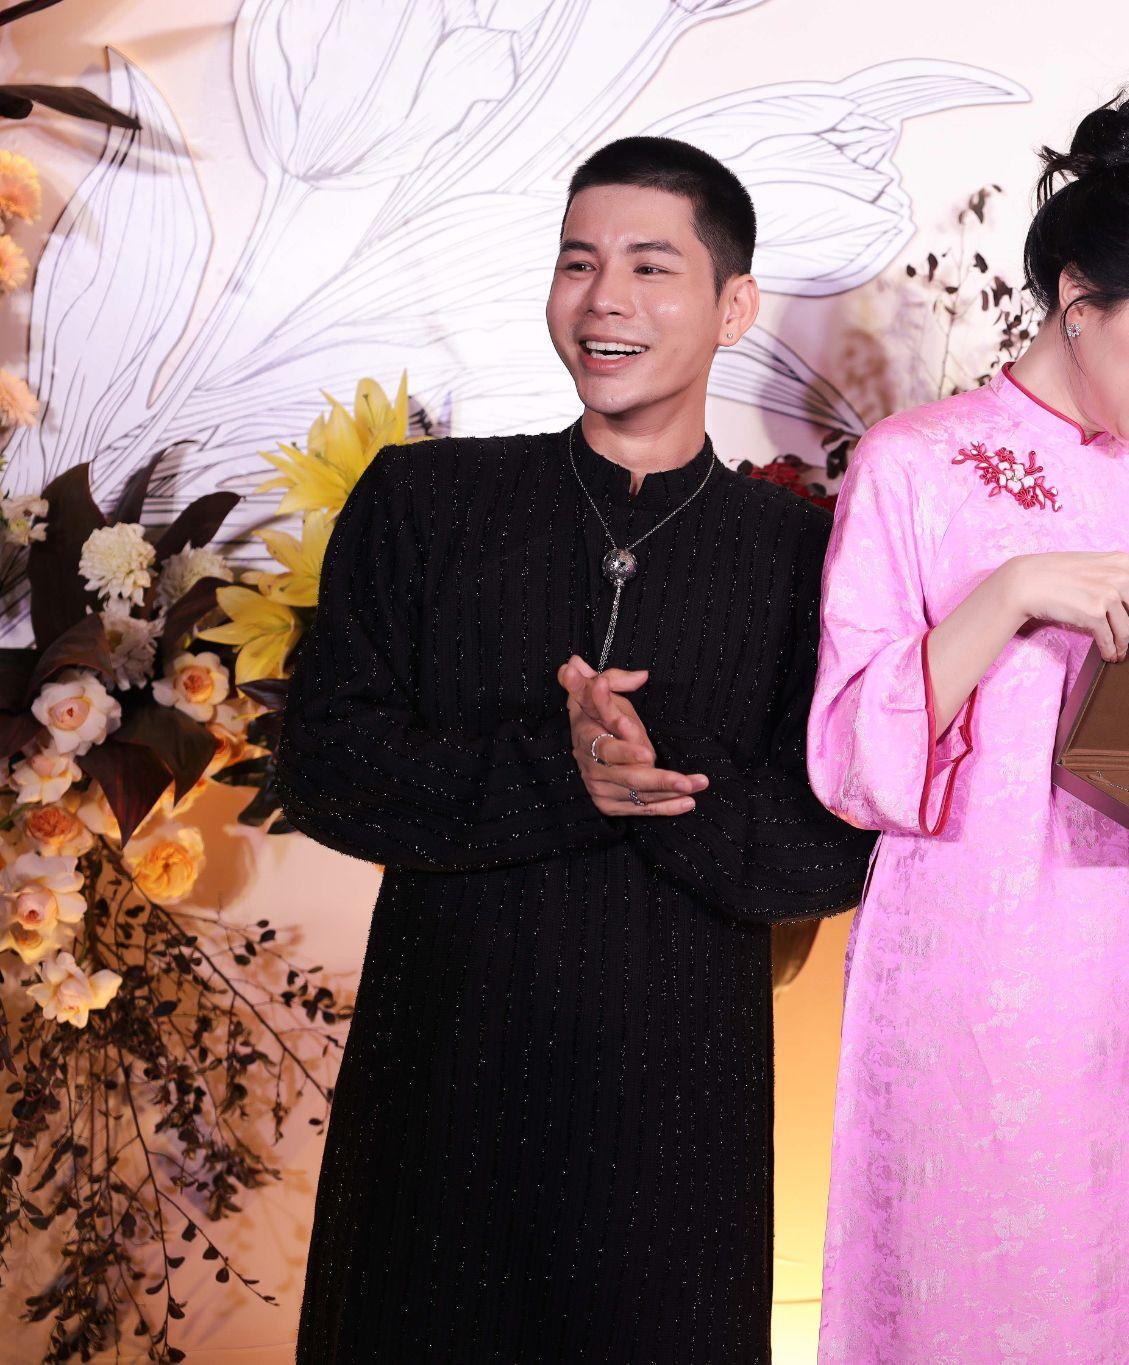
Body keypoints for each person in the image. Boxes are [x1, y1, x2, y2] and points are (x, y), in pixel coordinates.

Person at [277, 136, 876, 1364]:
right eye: (577, 263)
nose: (604, 299)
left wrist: (662, 781)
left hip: (674, 1116)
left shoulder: (803, 556)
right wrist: (559, 770)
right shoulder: (424, 502)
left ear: (734, 307)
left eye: (650, 267)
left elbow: (830, 845)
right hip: (439, 1083)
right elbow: (325, 765)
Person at [806, 84, 1129, 1362]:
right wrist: (1011, 593)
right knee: (967, 1293)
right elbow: (850, 755)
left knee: (1126, 1289)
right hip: (966, 969)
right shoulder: (911, 464)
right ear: (1080, 297)